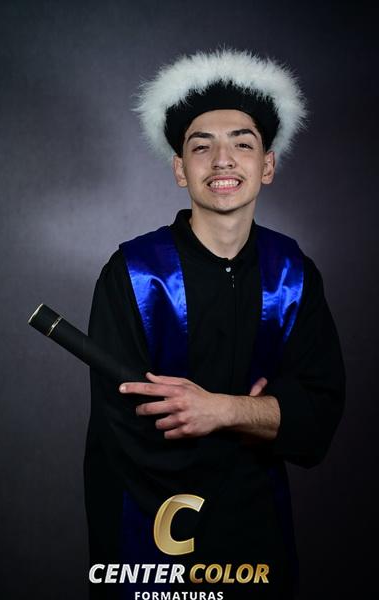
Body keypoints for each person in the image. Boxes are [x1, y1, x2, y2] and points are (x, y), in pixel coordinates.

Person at [84, 49, 345, 599]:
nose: (222, 160)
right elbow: (125, 425)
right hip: (154, 535)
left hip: (257, 533)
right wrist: (264, 416)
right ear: (181, 169)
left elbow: (318, 415)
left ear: (267, 166)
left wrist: (221, 411)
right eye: (201, 146)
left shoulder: (293, 274)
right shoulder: (135, 273)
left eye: (242, 144)